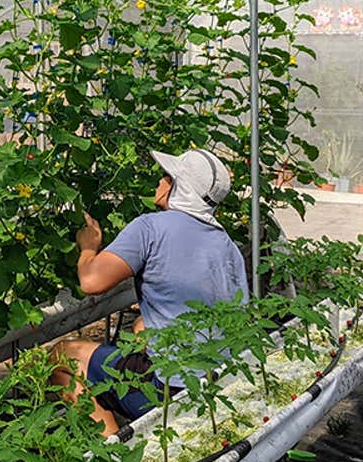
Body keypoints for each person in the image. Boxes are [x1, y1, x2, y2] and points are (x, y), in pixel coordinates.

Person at [49, 148, 249, 434]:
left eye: (166, 177)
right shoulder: (227, 246)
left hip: (169, 387)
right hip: (219, 383)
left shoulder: (151, 227)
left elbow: (91, 281)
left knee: (62, 355)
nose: (159, 182)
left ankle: (113, 454)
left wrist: (89, 246)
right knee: (141, 326)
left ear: (178, 188)